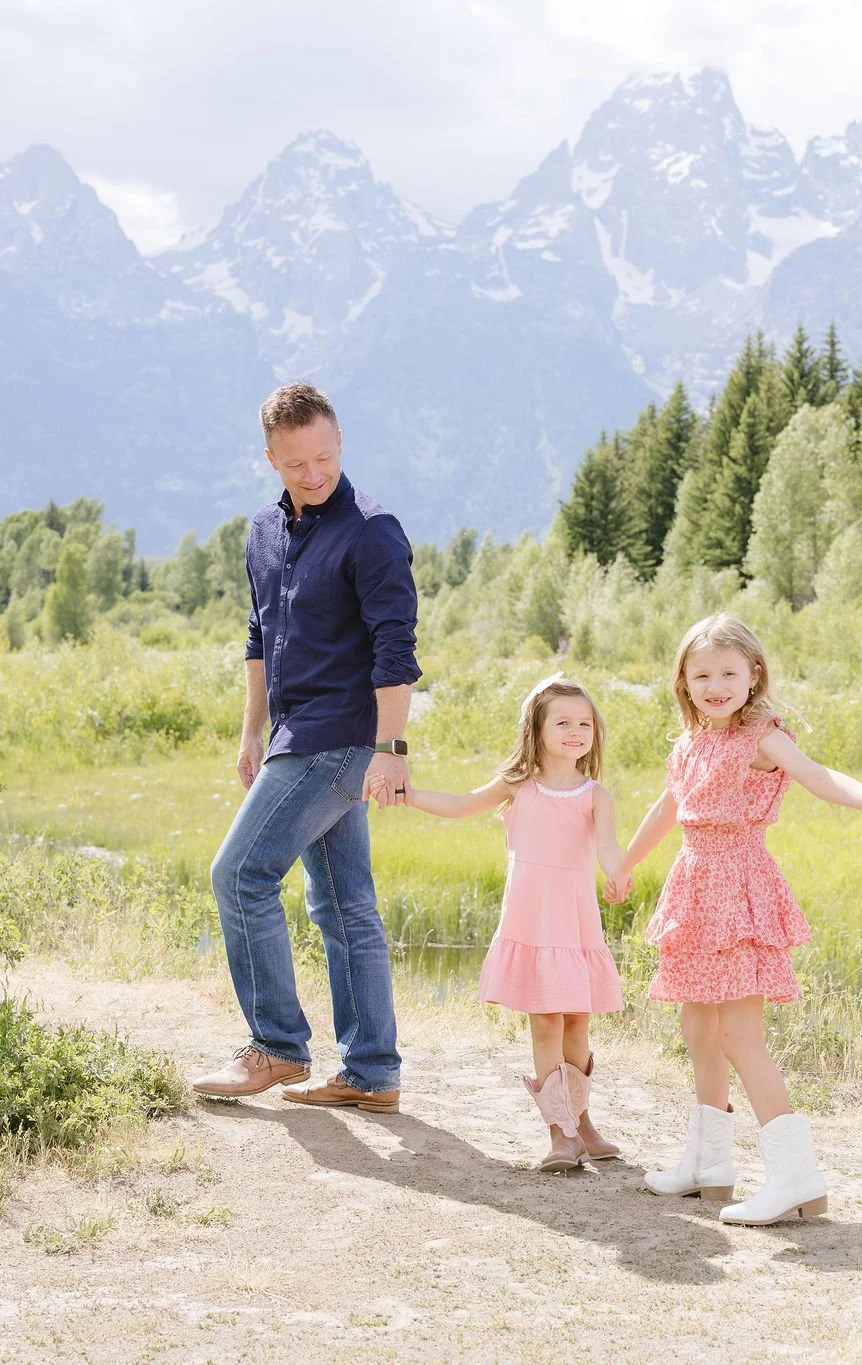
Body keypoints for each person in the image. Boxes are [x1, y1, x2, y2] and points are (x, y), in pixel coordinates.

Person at [191, 383, 419, 1113]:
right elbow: (259, 636)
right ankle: (371, 1072)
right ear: (271, 459)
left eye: (324, 457)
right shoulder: (262, 531)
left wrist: (392, 747)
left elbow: (395, 648)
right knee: (345, 904)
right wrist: (250, 730)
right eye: (296, 464)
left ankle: (277, 1046)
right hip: (292, 733)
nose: (313, 473)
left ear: (340, 442)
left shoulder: (373, 531)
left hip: (340, 738)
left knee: (239, 874)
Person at [613, 615, 862, 1226]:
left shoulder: (761, 736)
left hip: (738, 889)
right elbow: (668, 806)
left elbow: (815, 775)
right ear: (683, 681)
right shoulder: (689, 743)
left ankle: (796, 1178)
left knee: (739, 1036)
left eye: (728, 673)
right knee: (698, 1028)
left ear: (753, 675)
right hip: (694, 887)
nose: (716, 686)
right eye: (702, 675)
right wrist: (625, 862)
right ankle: (709, 1165)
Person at [404, 675, 630, 1171]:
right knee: (546, 1022)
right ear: (537, 728)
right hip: (533, 922)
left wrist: (619, 873)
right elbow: (460, 805)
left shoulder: (597, 795)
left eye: (584, 723)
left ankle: (582, 1123)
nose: (576, 732)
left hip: (575, 925)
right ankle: (560, 1133)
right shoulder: (518, 786)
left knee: (577, 1024)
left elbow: (609, 848)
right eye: (563, 722)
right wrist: (409, 793)